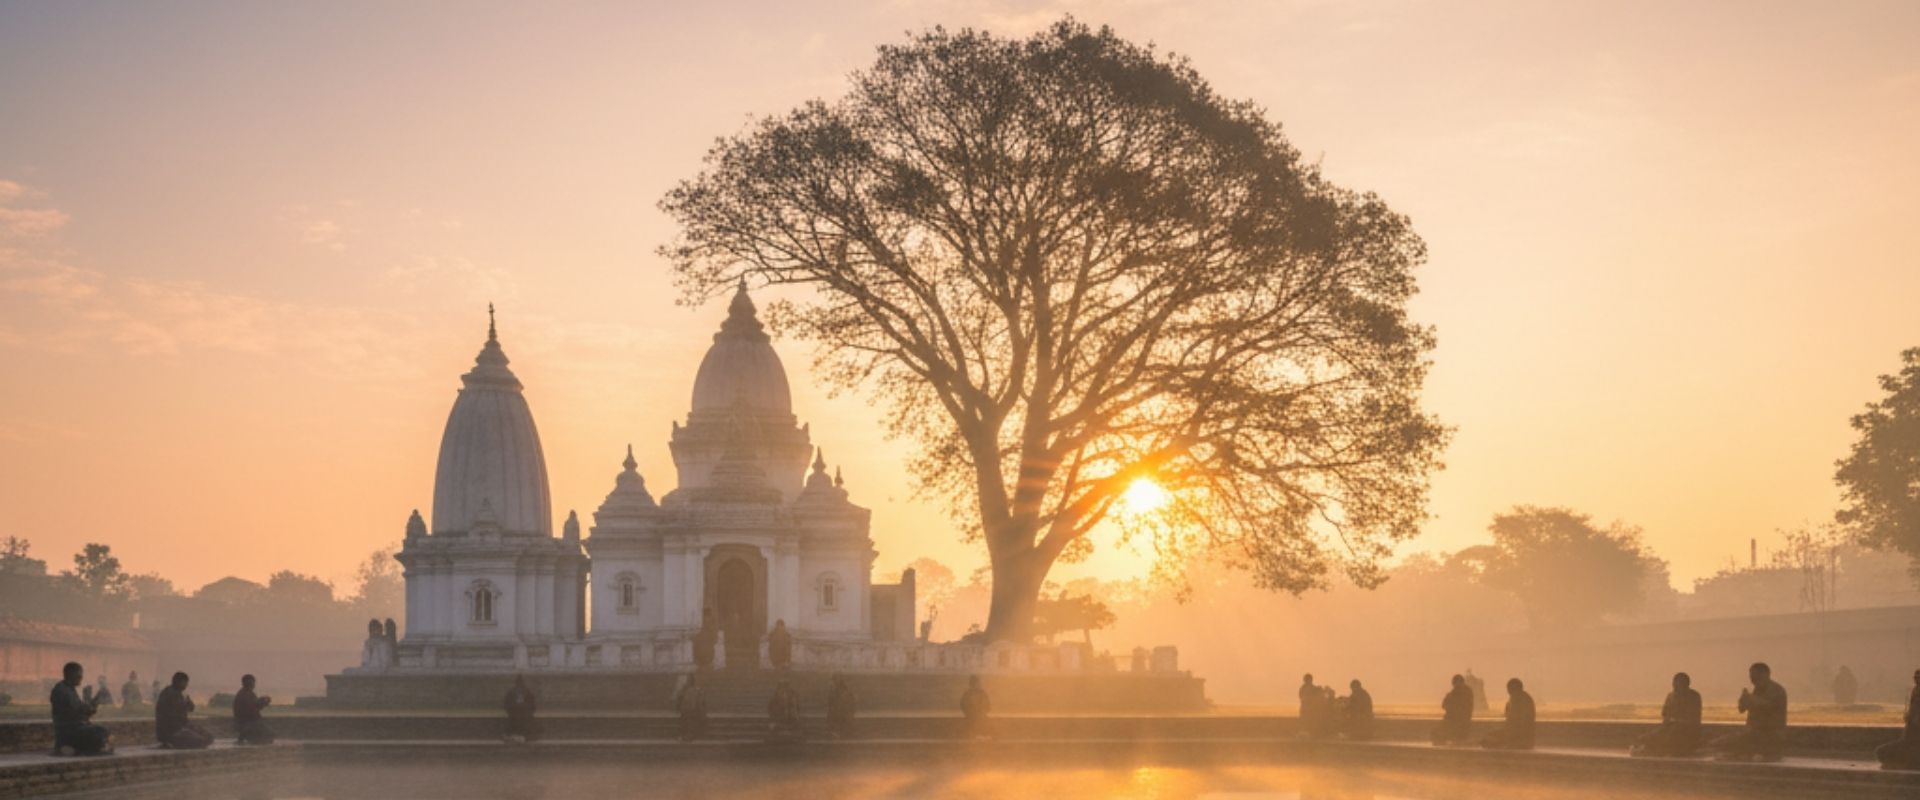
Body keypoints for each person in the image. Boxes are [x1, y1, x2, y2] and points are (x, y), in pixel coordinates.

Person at [1712, 662, 1788, 762]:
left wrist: (1751, 698)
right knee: (1718, 742)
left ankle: (1762, 754)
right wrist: (1743, 701)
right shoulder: (1757, 689)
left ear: (1765, 674)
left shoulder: (1776, 690)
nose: (1752, 680)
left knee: (1726, 744)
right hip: (1754, 733)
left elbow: (1769, 706)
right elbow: (1742, 710)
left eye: (1755, 677)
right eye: (1751, 677)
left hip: (1770, 734)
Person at [1632, 672, 1704, 758]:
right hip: (1670, 726)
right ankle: (1645, 750)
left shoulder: (1694, 696)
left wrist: (1677, 721)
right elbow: (1665, 713)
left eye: (1680, 684)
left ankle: (1663, 752)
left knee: (1672, 735)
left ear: (1686, 684)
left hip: (1687, 729)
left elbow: (1693, 717)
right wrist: (1668, 722)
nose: (1676, 687)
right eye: (1675, 684)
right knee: (1647, 737)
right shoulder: (1671, 696)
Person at [50, 662, 112, 756]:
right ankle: (70, 748)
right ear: (71, 675)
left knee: (104, 731)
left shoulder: (69, 689)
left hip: (75, 727)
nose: (81, 678)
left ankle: (75, 749)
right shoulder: (62, 690)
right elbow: (77, 713)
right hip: (68, 731)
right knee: (100, 732)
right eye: (79, 676)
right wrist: (89, 701)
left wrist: (91, 702)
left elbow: (82, 712)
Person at [155, 672, 213, 749]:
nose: (186, 685)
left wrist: (187, 701)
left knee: (208, 737)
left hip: (178, 728)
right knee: (202, 740)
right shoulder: (170, 693)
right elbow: (178, 713)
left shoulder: (177, 693)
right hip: (171, 732)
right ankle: (174, 743)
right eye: (185, 683)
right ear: (179, 682)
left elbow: (191, 708)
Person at [1876, 669, 1920, 770]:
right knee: (1881, 752)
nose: (1916, 680)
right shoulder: (1915, 691)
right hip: (1910, 740)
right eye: (1916, 677)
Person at [1481, 678, 1537, 750]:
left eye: (1509, 689)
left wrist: (1508, 734)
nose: (1508, 692)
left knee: (1490, 740)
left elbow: (1520, 724)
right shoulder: (1518, 699)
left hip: (1521, 737)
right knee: (1489, 737)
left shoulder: (1522, 699)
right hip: (1514, 734)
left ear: (1514, 688)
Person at [1432, 674, 1475, 746]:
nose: (1454, 685)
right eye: (1454, 683)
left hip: (1458, 722)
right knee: (1437, 733)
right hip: (1455, 721)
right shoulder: (1456, 692)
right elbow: (1445, 705)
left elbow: (1462, 708)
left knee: (1438, 733)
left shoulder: (1463, 692)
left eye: (1455, 683)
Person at [232, 675, 275, 745]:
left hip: (250, 722)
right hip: (247, 723)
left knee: (269, 734)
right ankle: (246, 738)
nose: (251, 685)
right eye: (249, 683)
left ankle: (247, 738)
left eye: (252, 683)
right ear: (244, 684)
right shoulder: (243, 694)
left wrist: (262, 702)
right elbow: (251, 710)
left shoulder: (249, 693)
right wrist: (262, 703)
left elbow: (255, 706)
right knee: (269, 735)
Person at [503, 674, 537, 743]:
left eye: (520, 684)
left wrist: (528, 711)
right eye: (519, 684)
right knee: (517, 723)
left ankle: (519, 737)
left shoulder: (526, 692)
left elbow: (532, 704)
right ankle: (518, 737)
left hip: (521, 714)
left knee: (521, 723)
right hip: (516, 713)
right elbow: (507, 703)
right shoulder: (512, 692)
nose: (520, 686)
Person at [676, 673, 708, 741]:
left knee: (687, 723)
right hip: (689, 710)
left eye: (688, 679)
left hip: (688, 710)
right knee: (688, 723)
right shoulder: (696, 690)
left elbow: (680, 698)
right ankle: (687, 736)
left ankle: (686, 736)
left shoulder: (693, 690)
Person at [961, 674, 992, 739]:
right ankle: (977, 736)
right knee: (977, 722)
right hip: (972, 716)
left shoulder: (980, 693)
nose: (978, 685)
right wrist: (970, 712)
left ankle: (979, 736)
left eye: (977, 683)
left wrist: (982, 712)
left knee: (982, 722)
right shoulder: (968, 694)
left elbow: (987, 705)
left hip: (978, 715)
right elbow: (964, 705)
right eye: (976, 683)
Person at [827, 673, 857, 739]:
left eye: (834, 680)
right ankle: (839, 733)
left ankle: (840, 734)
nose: (833, 682)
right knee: (838, 721)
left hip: (842, 711)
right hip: (840, 711)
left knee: (840, 721)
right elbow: (831, 701)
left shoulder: (844, 689)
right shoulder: (835, 689)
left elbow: (851, 700)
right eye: (834, 680)